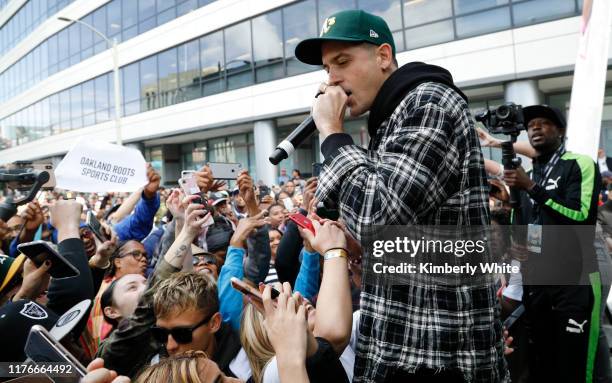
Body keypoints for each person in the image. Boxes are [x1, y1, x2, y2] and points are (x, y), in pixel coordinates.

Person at [295, 9, 505, 382]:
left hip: (436, 354)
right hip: (403, 343)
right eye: (327, 69)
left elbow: (379, 217)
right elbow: (341, 209)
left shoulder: (429, 103)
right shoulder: (389, 120)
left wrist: (331, 131)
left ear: (383, 56)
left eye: (342, 62)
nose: (333, 79)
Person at [503, 105, 602, 382]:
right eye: (531, 124)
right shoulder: (529, 175)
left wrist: (532, 189)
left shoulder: (579, 163)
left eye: (544, 123)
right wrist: (518, 246)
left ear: (560, 130)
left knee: (576, 365)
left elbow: (581, 216)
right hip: (537, 280)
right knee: (542, 363)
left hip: (575, 277)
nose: (535, 127)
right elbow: (524, 223)